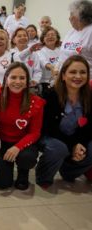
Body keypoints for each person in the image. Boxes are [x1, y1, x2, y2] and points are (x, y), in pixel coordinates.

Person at [37, 55, 92, 188]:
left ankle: (69, 171)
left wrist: (80, 144)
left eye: (82, 72)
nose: (78, 76)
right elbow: (49, 128)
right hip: (50, 136)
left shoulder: (89, 97)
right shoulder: (51, 95)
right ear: (63, 76)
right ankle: (43, 176)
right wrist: (72, 145)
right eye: (73, 72)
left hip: (75, 139)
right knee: (58, 148)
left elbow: (89, 127)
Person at [0, 62, 45, 190]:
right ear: (6, 78)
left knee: (27, 157)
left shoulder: (36, 102)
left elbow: (35, 133)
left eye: (22, 78)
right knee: (2, 183)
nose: (18, 81)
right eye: (13, 77)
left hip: (22, 143)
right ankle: (5, 168)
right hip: (1, 142)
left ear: (27, 80)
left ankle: (23, 172)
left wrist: (17, 147)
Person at [59, 0, 92, 75]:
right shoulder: (71, 32)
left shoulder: (90, 32)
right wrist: (57, 68)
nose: (69, 18)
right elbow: (62, 55)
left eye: (71, 14)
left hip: (85, 79)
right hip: (66, 77)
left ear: (79, 17)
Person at [37, 26, 61, 92]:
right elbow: (44, 62)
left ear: (57, 38)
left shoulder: (61, 50)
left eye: (53, 35)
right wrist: (52, 68)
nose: (50, 37)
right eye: (47, 35)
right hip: (46, 83)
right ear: (43, 39)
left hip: (61, 81)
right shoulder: (40, 51)